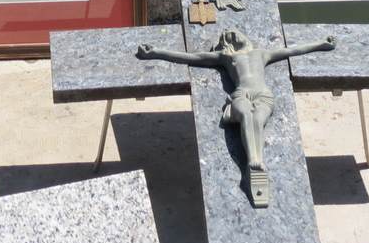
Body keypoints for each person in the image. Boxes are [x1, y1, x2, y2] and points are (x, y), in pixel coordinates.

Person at [136, 28, 336, 189]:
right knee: (247, 116)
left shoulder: (262, 53)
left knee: (258, 119)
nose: (231, 34)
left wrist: (321, 44)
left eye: (233, 32)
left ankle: (257, 162)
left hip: (263, 94)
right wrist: (156, 52)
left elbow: (292, 50)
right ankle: (253, 161)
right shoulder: (225, 56)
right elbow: (191, 57)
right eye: (228, 36)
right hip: (241, 94)